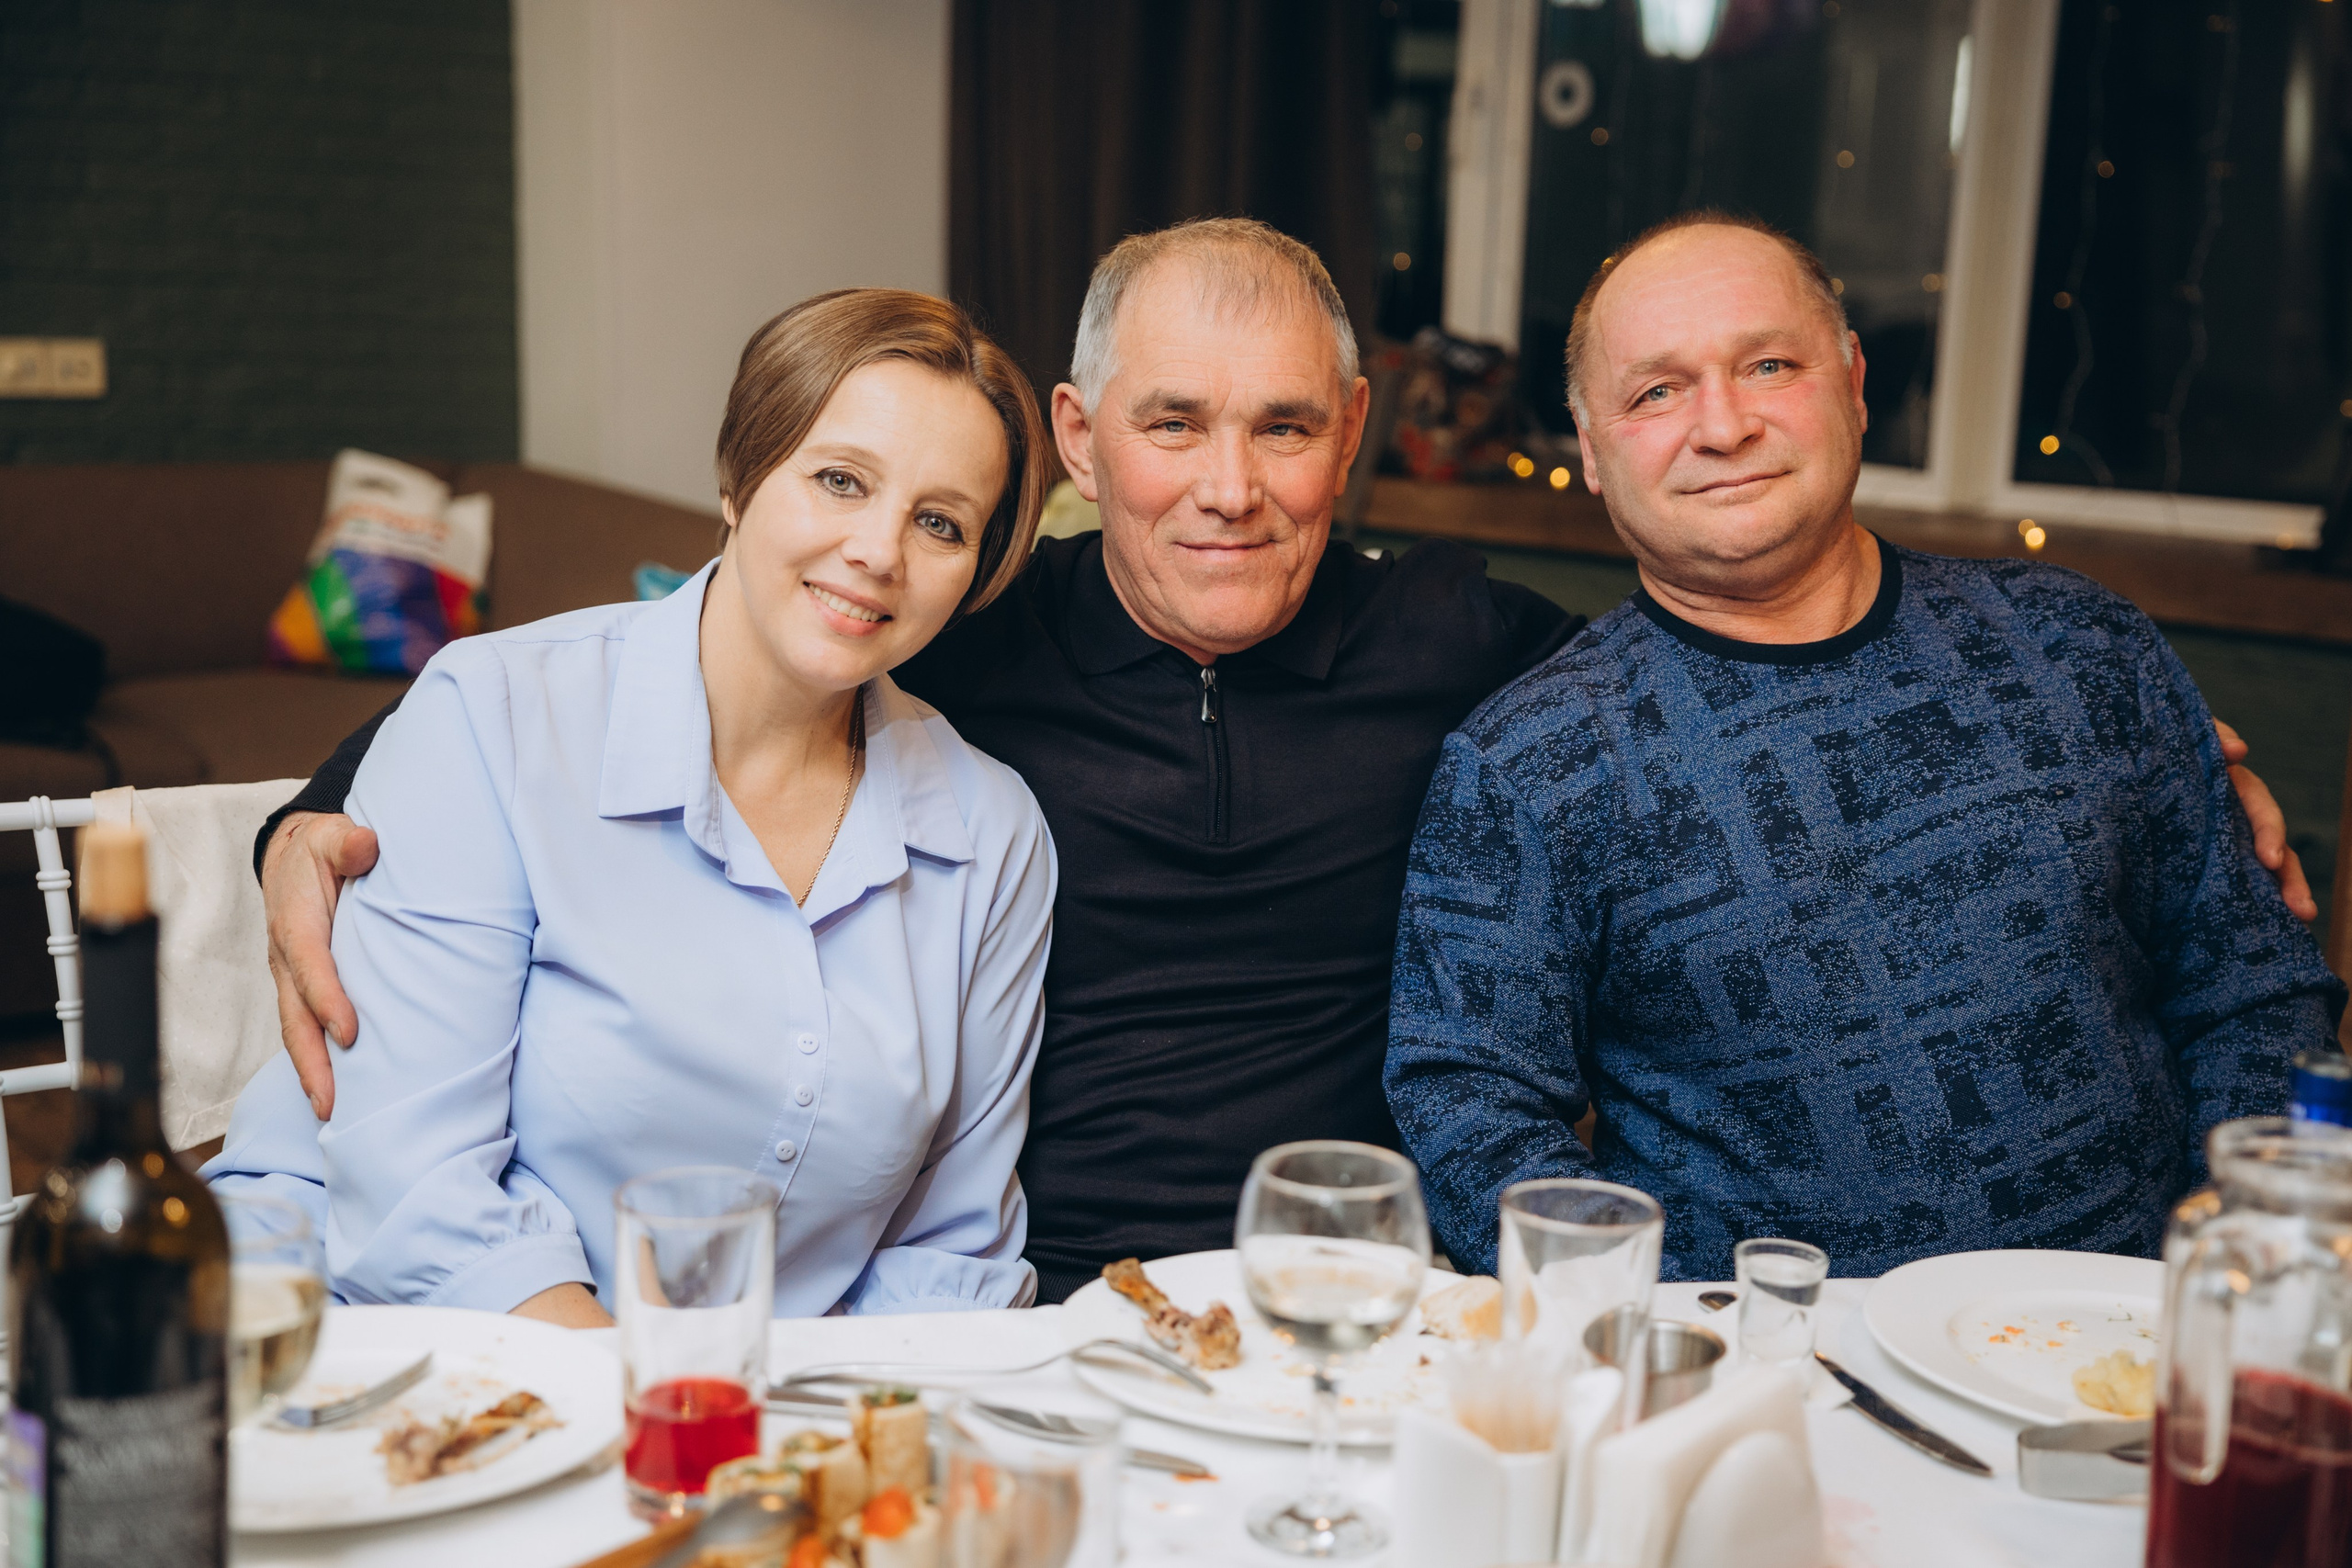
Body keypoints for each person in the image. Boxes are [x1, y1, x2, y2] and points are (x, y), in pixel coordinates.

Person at [249, 220, 2312, 1303]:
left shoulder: (1488, 667)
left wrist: (2132, 741)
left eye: (1285, 430)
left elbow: (1746, 694)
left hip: (1361, 1283)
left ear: (1353, 437)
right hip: (1046, 1292)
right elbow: (633, 684)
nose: (1226, 492)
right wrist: (300, 816)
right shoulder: (965, 643)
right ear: (1074, 446)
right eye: (1169, 427)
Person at [1385, 212, 2348, 1284]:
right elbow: (1468, 1104)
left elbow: (2249, 990)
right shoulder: (1528, 762)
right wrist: (1660, 1332)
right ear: (1594, 451)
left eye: (1766, 365)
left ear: (1850, 383)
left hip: (2124, 1338)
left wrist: (2232, 1249)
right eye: (1656, 392)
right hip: (1768, 1383)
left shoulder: (2078, 645)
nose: (1722, 425)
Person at [207, 289, 1057, 1323]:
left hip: (735, 1423)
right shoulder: (493, 717)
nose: (880, 551)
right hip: (351, 1329)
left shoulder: (994, 834)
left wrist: (812, 1461)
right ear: (739, 480)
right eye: (839, 480)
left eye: (938, 522)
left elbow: (951, 1258)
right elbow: (418, 1195)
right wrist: (674, 1424)